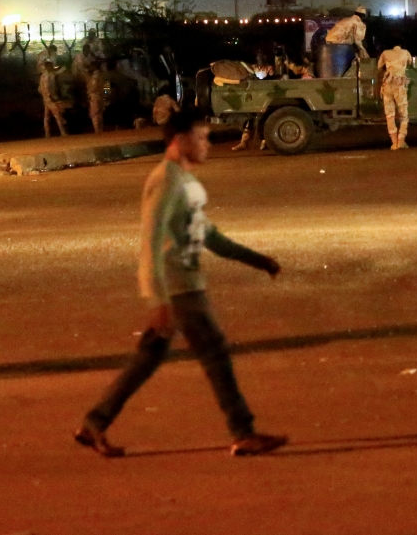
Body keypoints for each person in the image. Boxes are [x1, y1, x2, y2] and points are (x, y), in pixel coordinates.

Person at [74, 108, 288, 458]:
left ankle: (94, 424)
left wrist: (257, 260)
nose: (207, 145)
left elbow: (209, 235)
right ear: (180, 139)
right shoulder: (166, 180)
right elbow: (151, 240)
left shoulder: (185, 181)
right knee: (215, 352)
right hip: (179, 286)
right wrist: (157, 298)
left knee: (148, 358)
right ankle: (243, 432)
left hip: (180, 284)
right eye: (201, 138)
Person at [377, 44, 412, 150]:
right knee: (403, 114)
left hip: (387, 86)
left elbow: (379, 66)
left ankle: (394, 142)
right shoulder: (405, 52)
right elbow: (410, 63)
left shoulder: (385, 53)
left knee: (390, 115)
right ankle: (401, 140)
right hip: (399, 87)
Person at [38, 60, 69, 138]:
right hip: (51, 98)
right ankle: (62, 132)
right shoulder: (48, 76)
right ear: (47, 67)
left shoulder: (43, 75)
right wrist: (50, 96)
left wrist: (44, 96)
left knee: (47, 117)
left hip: (46, 99)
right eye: (50, 66)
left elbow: (40, 89)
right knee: (57, 115)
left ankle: (47, 134)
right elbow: (47, 86)